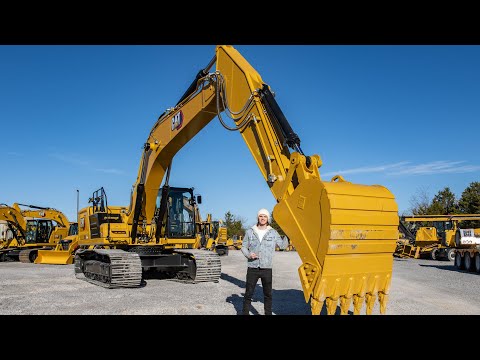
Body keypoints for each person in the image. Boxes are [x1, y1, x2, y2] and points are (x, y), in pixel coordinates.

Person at [241, 208, 288, 315]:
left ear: (268, 219)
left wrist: (288, 234)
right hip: (252, 267)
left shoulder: (273, 232)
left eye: (265, 216)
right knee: (248, 294)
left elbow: (282, 246)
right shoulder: (250, 231)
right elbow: (243, 246)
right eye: (261, 216)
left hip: (267, 268)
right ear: (258, 217)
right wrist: (248, 254)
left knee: (268, 295)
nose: (263, 218)